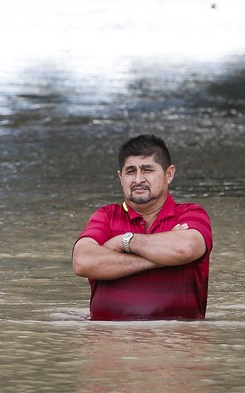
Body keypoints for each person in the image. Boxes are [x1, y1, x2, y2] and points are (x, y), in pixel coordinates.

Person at [72, 134, 213, 320]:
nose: (138, 179)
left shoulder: (190, 213)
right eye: (130, 171)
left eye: (147, 170)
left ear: (168, 174)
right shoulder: (106, 216)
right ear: (120, 177)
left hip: (176, 344)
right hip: (108, 343)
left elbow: (186, 249)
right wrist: (163, 259)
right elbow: (83, 262)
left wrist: (123, 243)